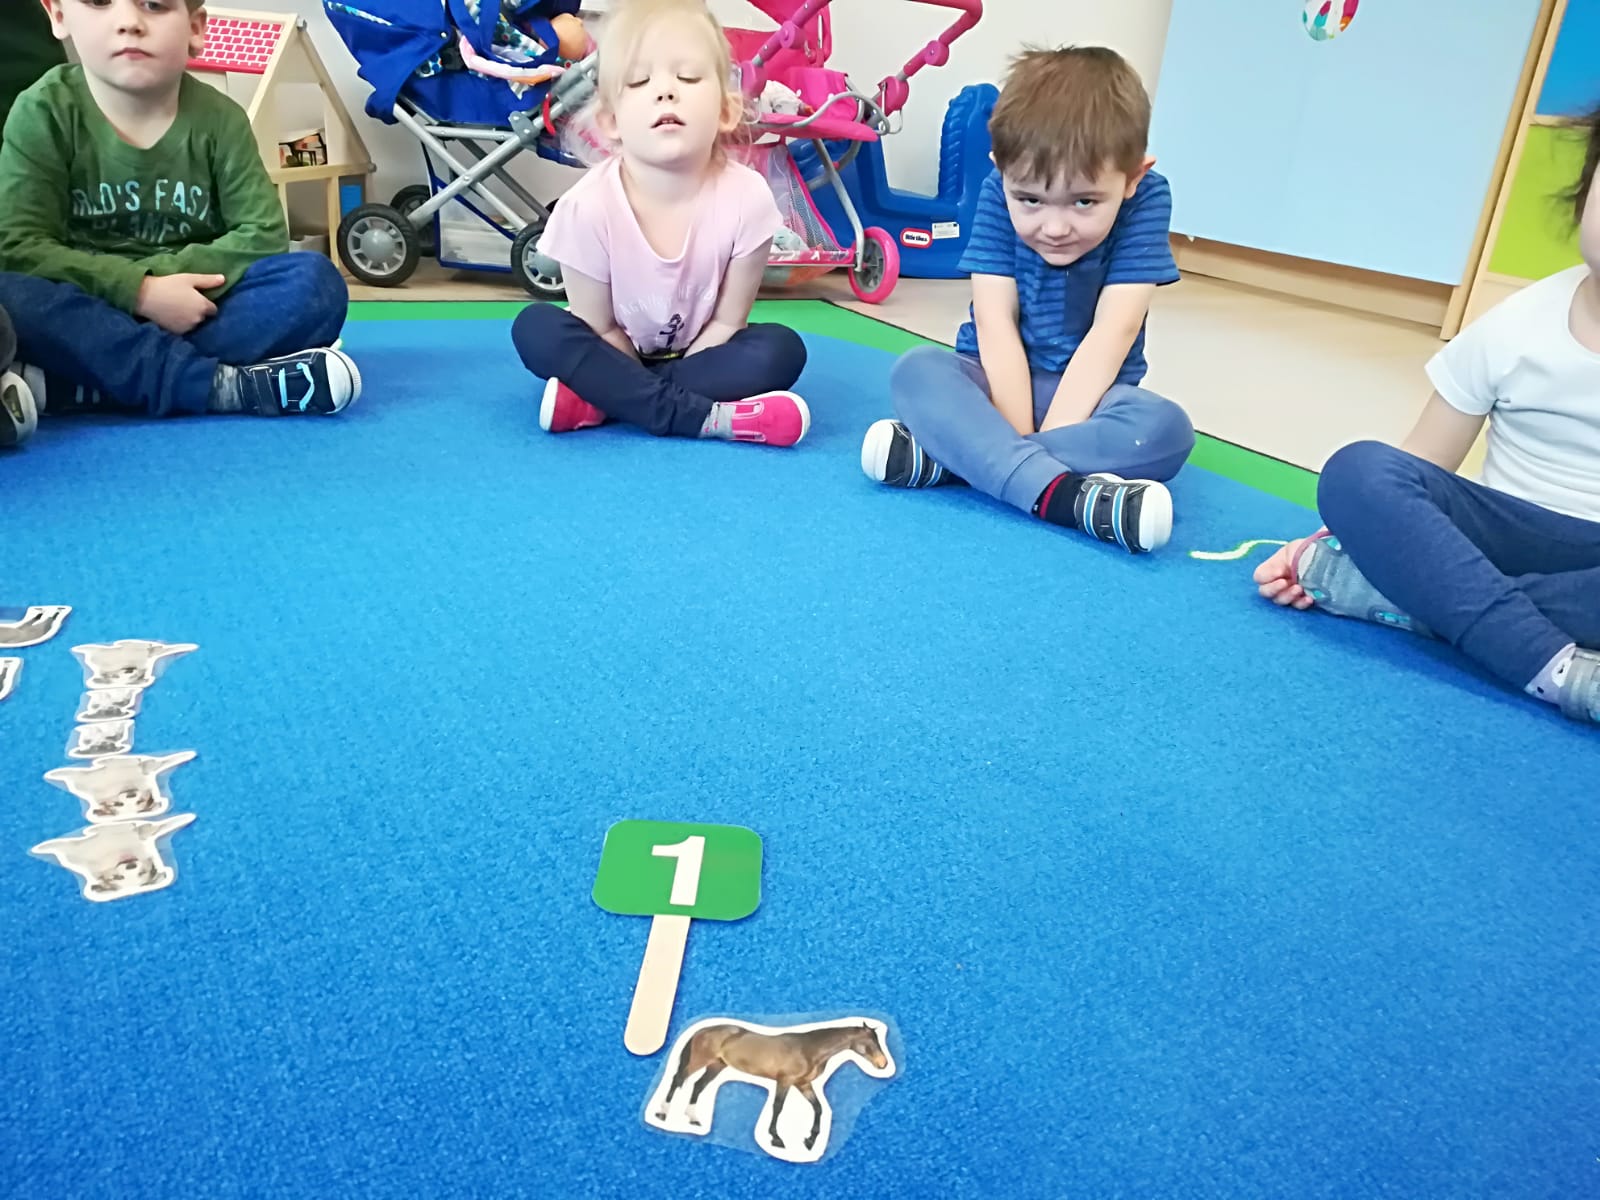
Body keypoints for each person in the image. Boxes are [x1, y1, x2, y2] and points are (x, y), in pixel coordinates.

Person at [1252, 109, 1600, 726]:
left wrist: (1382, 571)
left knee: (1450, 579)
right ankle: (1559, 672)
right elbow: (1418, 464)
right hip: (1493, 542)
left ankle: (1423, 603)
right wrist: (1333, 542)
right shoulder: (1518, 324)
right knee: (1358, 471)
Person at [860, 46, 1194, 554]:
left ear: (1132, 178)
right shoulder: (996, 190)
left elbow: (1114, 331)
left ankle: (959, 460)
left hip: (1093, 395)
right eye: (1031, 200)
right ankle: (1059, 494)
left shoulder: (1148, 197)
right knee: (918, 370)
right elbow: (994, 322)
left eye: (1084, 202)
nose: (1054, 227)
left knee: (1166, 430)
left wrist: (1010, 446)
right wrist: (1017, 434)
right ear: (1001, 170)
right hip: (994, 380)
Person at [0, 0, 360, 449]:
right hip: (84, 302)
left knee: (314, 284)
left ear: (194, 28)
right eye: (99, 2)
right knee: (9, 294)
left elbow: (263, 234)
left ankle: (84, 385)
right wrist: (139, 290)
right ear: (58, 16)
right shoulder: (43, 110)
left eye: (154, 5)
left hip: (192, 306)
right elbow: (19, 246)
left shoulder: (221, 119)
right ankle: (220, 387)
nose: (129, 22)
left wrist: (166, 289)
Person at [511, 0, 810, 447]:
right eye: (639, 81)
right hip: (610, 350)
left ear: (725, 111)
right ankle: (705, 418)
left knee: (782, 349)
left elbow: (728, 322)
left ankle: (603, 401)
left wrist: (623, 387)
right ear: (611, 121)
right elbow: (600, 328)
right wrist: (641, 382)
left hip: (703, 356)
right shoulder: (586, 207)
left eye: (687, 78)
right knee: (536, 328)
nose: (666, 92)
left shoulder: (748, 198)